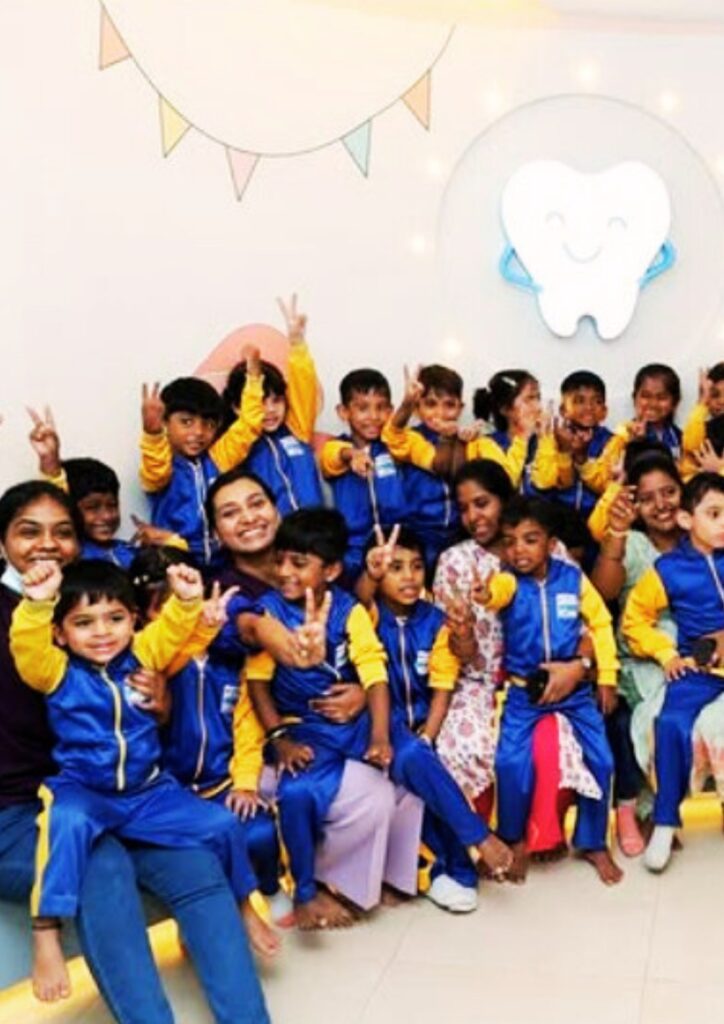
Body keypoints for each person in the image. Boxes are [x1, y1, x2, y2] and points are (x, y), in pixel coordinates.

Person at [0, 479, 270, 1022]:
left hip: (128, 792)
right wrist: (37, 606)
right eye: (30, 532)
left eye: (63, 532)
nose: (48, 544)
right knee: (101, 868)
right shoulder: (37, 625)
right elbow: (32, 656)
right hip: (29, 805)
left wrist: (161, 701)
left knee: (198, 862)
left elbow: (157, 658)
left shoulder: (92, 599)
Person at [244, 507, 512, 927]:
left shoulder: (349, 610)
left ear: (331, 571)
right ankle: (306, 893)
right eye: (280, 561)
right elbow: (258, 682)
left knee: (415, 756)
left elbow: (374, 675)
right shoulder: (268, 613)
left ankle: (478, 838)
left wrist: (382, 736)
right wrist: (279, 737)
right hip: (308, 729)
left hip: (361, 722)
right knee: (297, 794)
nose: (284, 572)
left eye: (298, 563)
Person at [205, 466, 423, 924]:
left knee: (406, 769)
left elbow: (353, 625)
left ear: (276, 508)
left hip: (337, 722)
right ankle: (319, 884)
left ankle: (374, 877)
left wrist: (362, 691)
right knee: (371, 794)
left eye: (256, 504)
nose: (248, 517)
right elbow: (248, 626)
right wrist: (283, 643)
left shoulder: (307, 555)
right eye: (230, 512)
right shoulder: (224, 587)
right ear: (215, 531)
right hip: (267, 737)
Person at [478, 497, 622, 885]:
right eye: (509, 542)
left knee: (601, 759)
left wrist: (606, 676)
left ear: (550, 543)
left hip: (574, 692)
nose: (518, 551)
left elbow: (601, 624)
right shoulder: (507, 579)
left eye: (530, 540)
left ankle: (593, 841)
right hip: (525, 694)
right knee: (510, 763)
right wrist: (485, 595)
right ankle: (513, 837)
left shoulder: (572, 579)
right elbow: (496, 593)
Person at [356, 524, 484, 913]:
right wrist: (370, 576)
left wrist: (428, 735)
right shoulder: (367, 615)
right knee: (410, 766)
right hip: (381, 724)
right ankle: (459, 861)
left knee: (424, 764)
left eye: (415, 566)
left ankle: (453, 867)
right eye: (395, 568)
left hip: (424, 724)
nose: (409, 577)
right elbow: (359, 598)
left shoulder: (435, 620)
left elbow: (443, 684)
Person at [622, 472, 724, 872]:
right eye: (713, 514)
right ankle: (665, 821)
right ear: (686, 519)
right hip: (700, 667)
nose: (723, 523)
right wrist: (666, 654)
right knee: (670, 723)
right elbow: (634, 621)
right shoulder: (668, 569)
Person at [139, 350, 264, 564]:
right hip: (175, 562)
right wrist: (153, 434)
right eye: (186, 422)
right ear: (165, 422)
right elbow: (155, 466)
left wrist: (253, 380)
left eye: (208, 424)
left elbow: (248, 427)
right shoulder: (162, 467)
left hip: (222, 563)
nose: (198, 432)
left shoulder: (218, 458)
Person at [221, 295, 323, 515]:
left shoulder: (297, 429)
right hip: (271, 533)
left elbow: (304, 386)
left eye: (276, 400)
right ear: (237, 406)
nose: (270, 410)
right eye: (260, 402)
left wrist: (297, 345)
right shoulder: (236, 448)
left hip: (315, 528)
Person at [320, 369, 406, 580]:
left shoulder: (395, 448)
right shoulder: (336, 448)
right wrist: (352, 455)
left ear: (391, 411)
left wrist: (410, 402)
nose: (373, 416)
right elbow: (330, 456)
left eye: (381, 407)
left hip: (397, 544)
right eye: (363, 408)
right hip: (354, 550)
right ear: (343, 411)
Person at [380, 364, 466, 573]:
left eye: (449, 405)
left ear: (461, 408)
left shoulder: (466, 440)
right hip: (420, 533)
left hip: (459, 532)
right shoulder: (413, 438)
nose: (440, 413)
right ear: (418, 408)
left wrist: (460, 440)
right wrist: (407, 403)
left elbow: (459, 473)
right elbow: (392, 433)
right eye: (431, 404)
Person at [468, 370, 558, 492]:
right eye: (529, 399)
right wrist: (522, 437)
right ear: (505, 409)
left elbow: (546, 482)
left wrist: (544, 437)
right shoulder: (485, 444)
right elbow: (506, 484)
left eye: (538, 398)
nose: (538, 407)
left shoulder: (543, 441)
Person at [680, 363, 724, 480]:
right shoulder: (706, 427)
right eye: (715, 395)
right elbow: (690, 446)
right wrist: (702, 401)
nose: (721, 401)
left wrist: (719, 469)